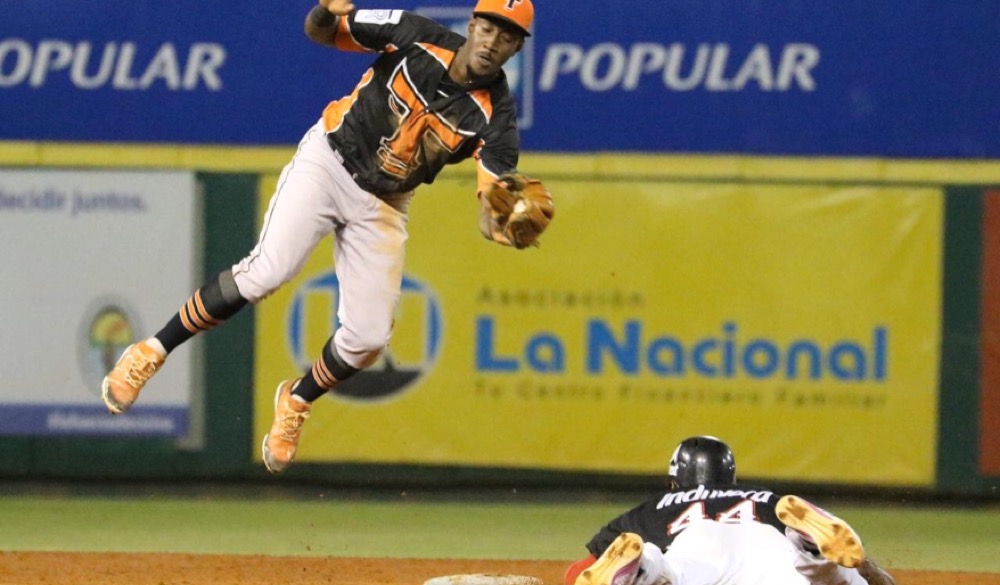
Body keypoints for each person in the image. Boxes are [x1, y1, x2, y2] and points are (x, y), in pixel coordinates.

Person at [101, 0, 544, 474]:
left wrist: (502, 225)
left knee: (369, 337)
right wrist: (324, 10)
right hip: (329, 161)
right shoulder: (416, 34)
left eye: (507, 37)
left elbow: (490, 204)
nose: (493, 42)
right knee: (267, 272)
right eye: (488, 28)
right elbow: (324, 32)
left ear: (516, 49)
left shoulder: (497, 117)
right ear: (472, 25)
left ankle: (297, 397)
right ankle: (150, 351)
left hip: (386, 201)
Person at [565, 436, 896, 585]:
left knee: (671, 573)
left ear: (675, 481)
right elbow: (866, 568)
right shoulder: (767, 498)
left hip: (698, 550)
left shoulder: (657, 507)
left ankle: (645, 570)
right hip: (771, 555)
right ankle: (810, 552)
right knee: (834, 580)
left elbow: (579, 573)